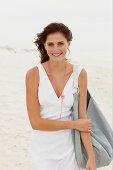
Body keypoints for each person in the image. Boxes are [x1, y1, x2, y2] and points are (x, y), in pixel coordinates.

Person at [25, 22, 96, 170]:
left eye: (60, 43)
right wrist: (73, 124)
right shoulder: (33, 74)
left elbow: (82, 119)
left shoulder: (79, 74)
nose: (56, 49)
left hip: (70, 150)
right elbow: (35, 122)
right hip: (42, 150)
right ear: (44, 45)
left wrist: (91, 157)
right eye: (50, 44)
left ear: (68, 44)